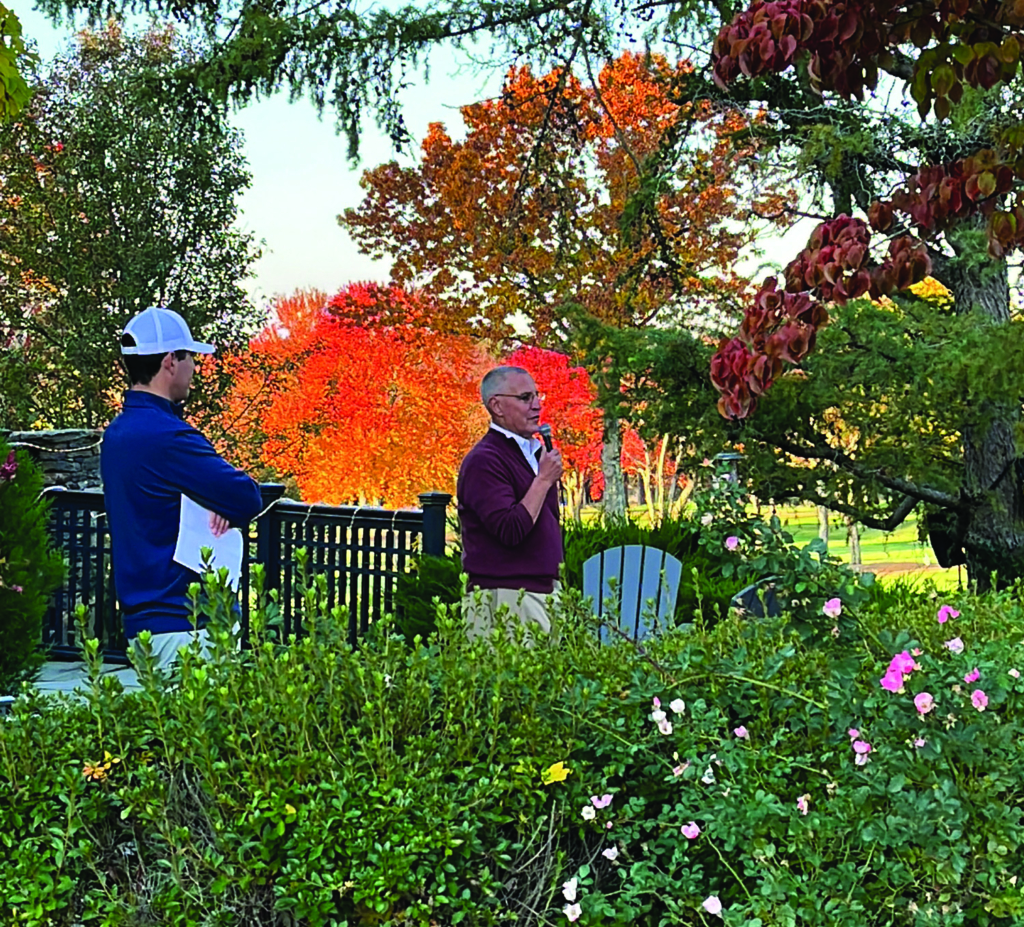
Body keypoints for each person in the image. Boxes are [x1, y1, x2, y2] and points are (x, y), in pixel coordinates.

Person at [100, 307, 264, 668]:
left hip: (143, 626)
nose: (195, 368)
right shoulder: (169, 436)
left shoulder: (117, 434)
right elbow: (247, 496)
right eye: (190, 357)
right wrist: (218, 501)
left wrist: (207, 498)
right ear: (170, 361)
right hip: (188, 625)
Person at [457, 366, 564, 638]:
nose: (536, 405)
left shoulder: (534, 453)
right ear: (497, 406)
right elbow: (510, 529)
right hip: (505, 598)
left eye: (538, 396)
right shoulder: (484, 461)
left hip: (541, 593)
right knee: (507, 681)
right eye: (525, 397)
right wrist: (542, 481)